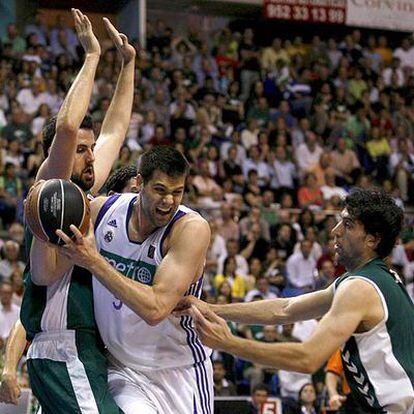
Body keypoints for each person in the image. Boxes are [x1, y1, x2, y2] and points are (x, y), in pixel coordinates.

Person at [0, 10, 135, 411]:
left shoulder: (82, 188)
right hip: (64, 348)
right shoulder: (50, 189)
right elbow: (66, 128)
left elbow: (115, 129)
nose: (91, 156)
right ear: (56, 158)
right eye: (81, 150)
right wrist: (92, 55)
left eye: (90, 149)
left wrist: (128, 65)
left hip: (77, 350)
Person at [179, 189, 414, 413]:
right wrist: (212, 310)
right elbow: (285, 309)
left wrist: (228, 343)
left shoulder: (360, 288)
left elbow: (307, 359)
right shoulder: (373, 279)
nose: (335, 230)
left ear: (372, 240)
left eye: (348, 224)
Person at [31, 146, 213, 414]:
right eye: (160, 190)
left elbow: (155, 309)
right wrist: (39, 230)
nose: (169, 202)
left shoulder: (190, 229)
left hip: (178, 370)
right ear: (139, 183)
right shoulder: (102, 211)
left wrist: (94, 261)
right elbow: (43, 274)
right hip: (123, 370)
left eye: (178, 192)